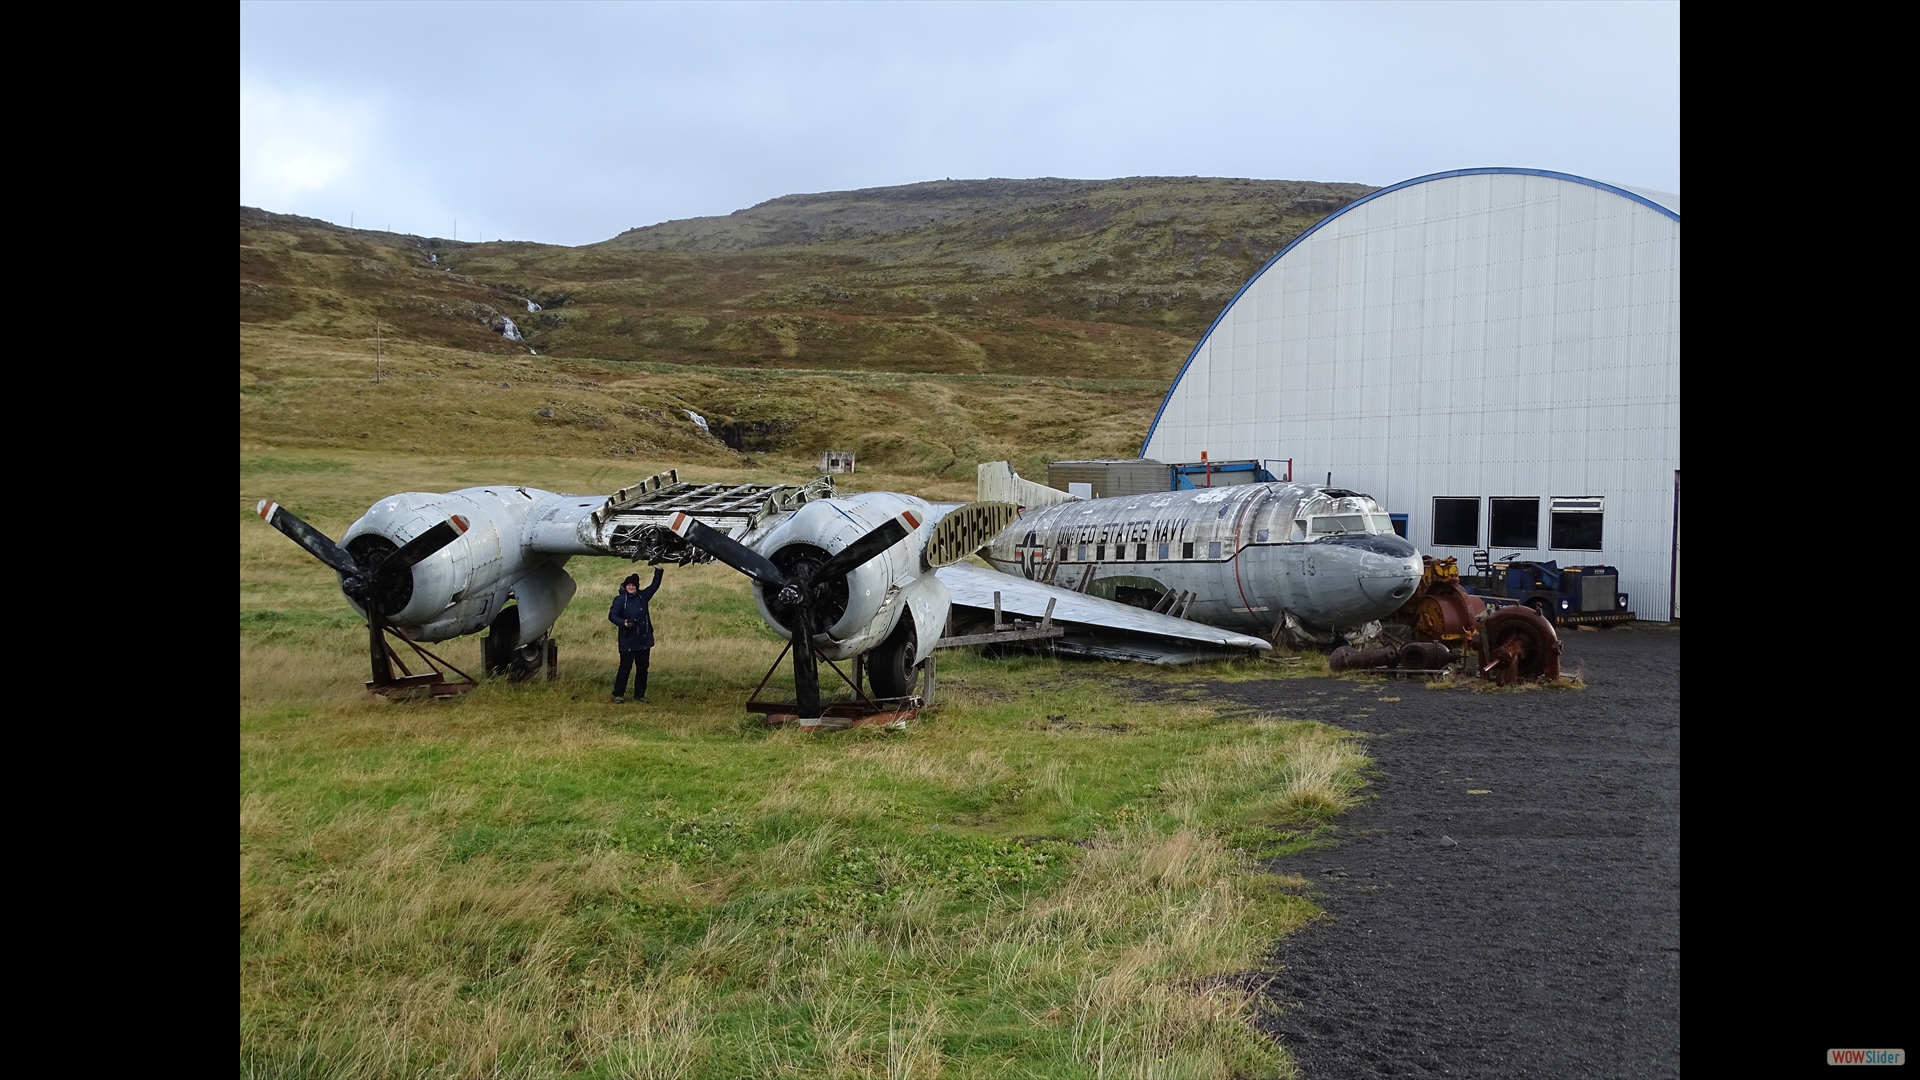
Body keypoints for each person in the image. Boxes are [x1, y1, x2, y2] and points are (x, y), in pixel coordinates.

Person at [607, 567, 663, 703]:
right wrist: (624, 622)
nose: (631, 587)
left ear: (637, 587)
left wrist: (659, 571)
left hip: (644, 640)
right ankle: (618, 694)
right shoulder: (620, 600)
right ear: (625, 586)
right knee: (625, 668)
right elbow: (612, 615)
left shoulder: (643, 597)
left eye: (633, 585)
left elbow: (655, 585)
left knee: (643, 669)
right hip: (628, 640)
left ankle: (639, 694)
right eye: (629, 585)